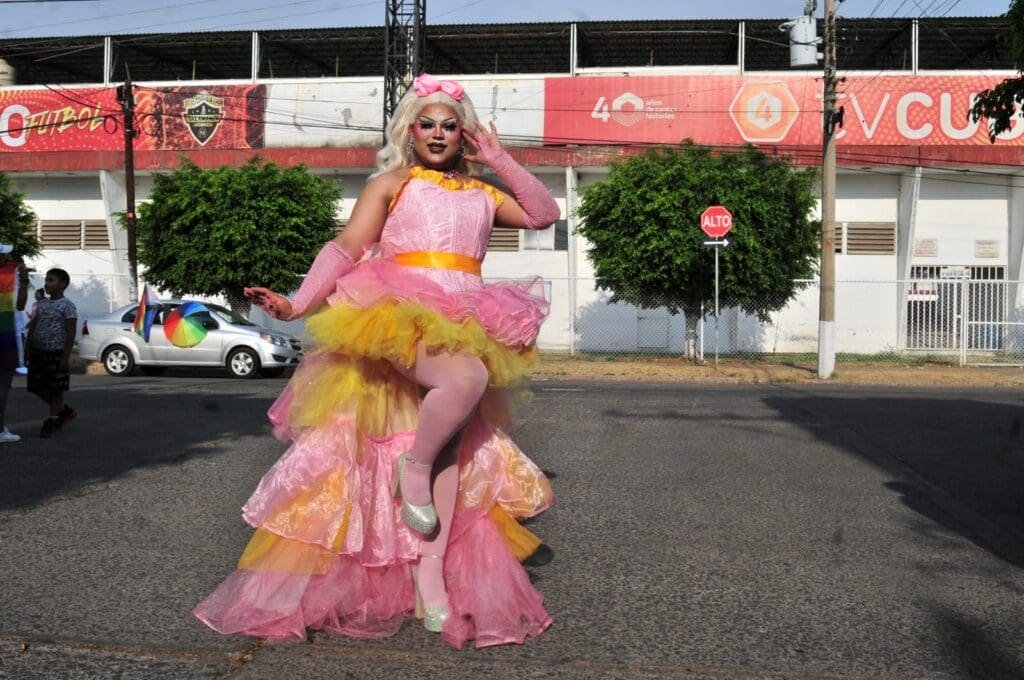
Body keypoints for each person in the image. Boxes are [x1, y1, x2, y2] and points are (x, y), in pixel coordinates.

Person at [194, 73, 560, 648]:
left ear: (463, 134)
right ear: (409, 131)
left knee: (452, 453)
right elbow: (346, 248)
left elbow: (544, 214)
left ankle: (430, 579)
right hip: (398, 313)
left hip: (466, 318)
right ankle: (412, 468)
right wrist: (297, 303)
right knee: (464, 382)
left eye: (449, 126)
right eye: (426, 124)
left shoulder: (483, 194)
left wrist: (499, 158)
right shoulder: (391, 184)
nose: (437, 133)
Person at [26, 268, 77, 438]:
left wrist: (65, 356)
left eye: (51, 280)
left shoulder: (68, 306)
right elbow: (33, 326)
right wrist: (28, 349)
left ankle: (53, 420)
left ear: (62, 284)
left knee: (56, 389)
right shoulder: (40, 305)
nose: (47, 284)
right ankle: (64, 410)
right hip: (38, 352)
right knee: (36, 386)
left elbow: (71, 332)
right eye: (46, 280)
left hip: (56, 353)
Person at [0, 244, 29, 442]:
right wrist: (24, 281)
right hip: (6, 335)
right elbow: (19, 305)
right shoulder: (10, 274)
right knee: (2, 385)